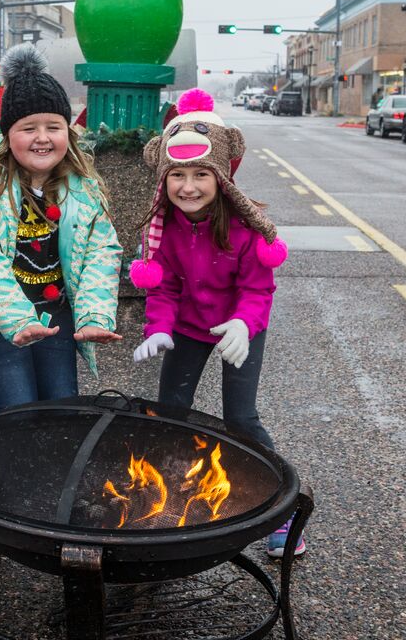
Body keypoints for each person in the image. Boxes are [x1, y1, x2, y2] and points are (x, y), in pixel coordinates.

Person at [128, 88, 302, 557]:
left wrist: (245, 324)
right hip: (186, 326)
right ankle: (163, 496)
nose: (188, 186)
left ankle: (286, 515)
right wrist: (158, 328)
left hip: (238, 328)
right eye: (177, 175)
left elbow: (257, 289)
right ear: (163, 179)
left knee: (241, 419)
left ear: (221, 176)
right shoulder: (161, 226)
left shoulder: (246, 228)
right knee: (171, 410)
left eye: (201, 174)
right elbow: (162, 287)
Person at [0, 44, 123, 411]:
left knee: (62, 408)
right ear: (8, 135)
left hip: (57, 315)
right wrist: (17, 319)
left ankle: (55, 467)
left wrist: (92, 315)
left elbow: (100, 256)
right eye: (28, 128)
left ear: (67, 134)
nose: (42, 137)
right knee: (17, 411)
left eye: (53, 127)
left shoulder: (83, 190)